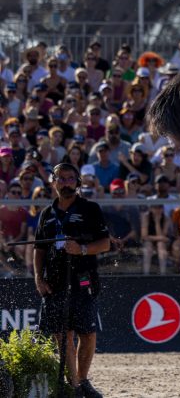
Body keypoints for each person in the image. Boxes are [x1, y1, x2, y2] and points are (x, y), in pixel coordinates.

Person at [33, 162, 110, 398]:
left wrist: (82, 249)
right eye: (61, 178)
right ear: (53, 181)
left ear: (78, 182)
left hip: (84, 279)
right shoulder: (46, 214)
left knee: (87, 333)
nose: (66, 183)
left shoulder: (91, 208)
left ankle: (83, 380)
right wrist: (37, 277)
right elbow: (39, 249)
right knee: (62, 334)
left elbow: (105, 243)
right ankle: (74, 385)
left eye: (70, 179)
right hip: (54, 281)